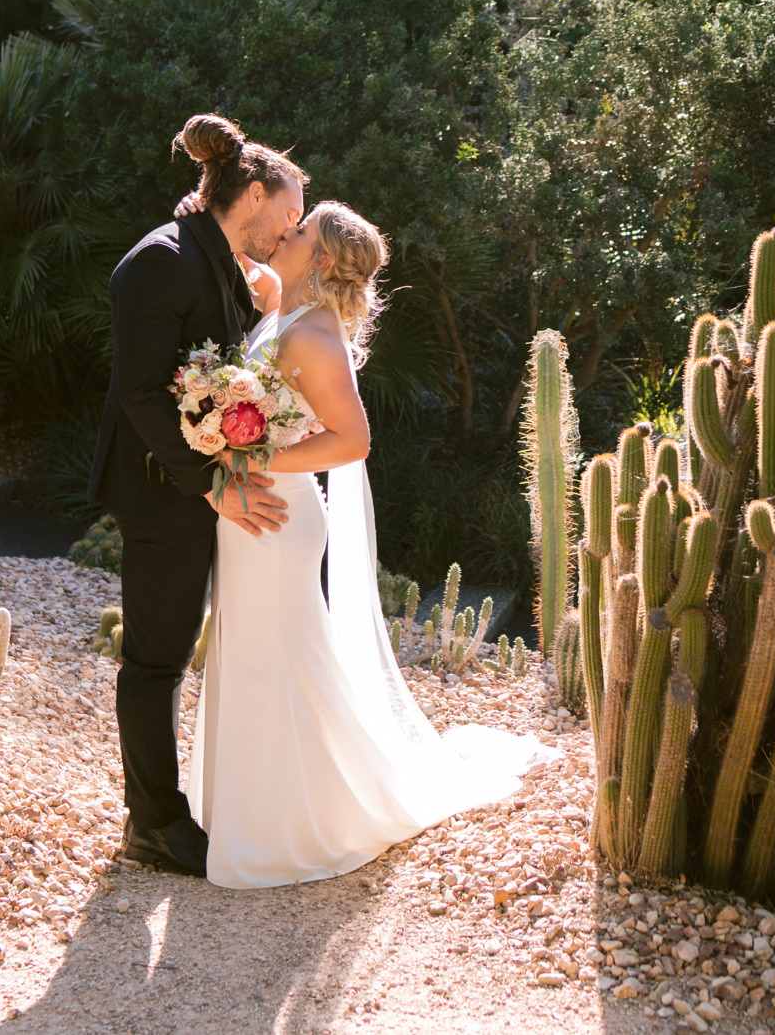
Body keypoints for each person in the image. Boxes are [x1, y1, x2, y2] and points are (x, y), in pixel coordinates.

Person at [187, 199, 556, 888]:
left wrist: (249, 455)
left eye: (297, 231)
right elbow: (245, 264)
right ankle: (244, 806)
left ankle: (289, 825)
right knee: (248, 649)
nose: (284, 233)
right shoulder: (283, 307)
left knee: (278, 655)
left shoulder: (314, 336)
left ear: (320, 257)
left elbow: (352, 440)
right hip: (251, 513)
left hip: (276, 514)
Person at [87, 112, 305, 877]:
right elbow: (143, 396)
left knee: (179, 653)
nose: (291, 229)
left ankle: (185, 808)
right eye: (288, 213)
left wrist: (269, 300)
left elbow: (221, 358)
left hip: (197, 489)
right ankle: (152, 823)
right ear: (251, 190)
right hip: (160, 493)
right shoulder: (160, 261)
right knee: (155, 662)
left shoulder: (213, 253)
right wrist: (211, 487)